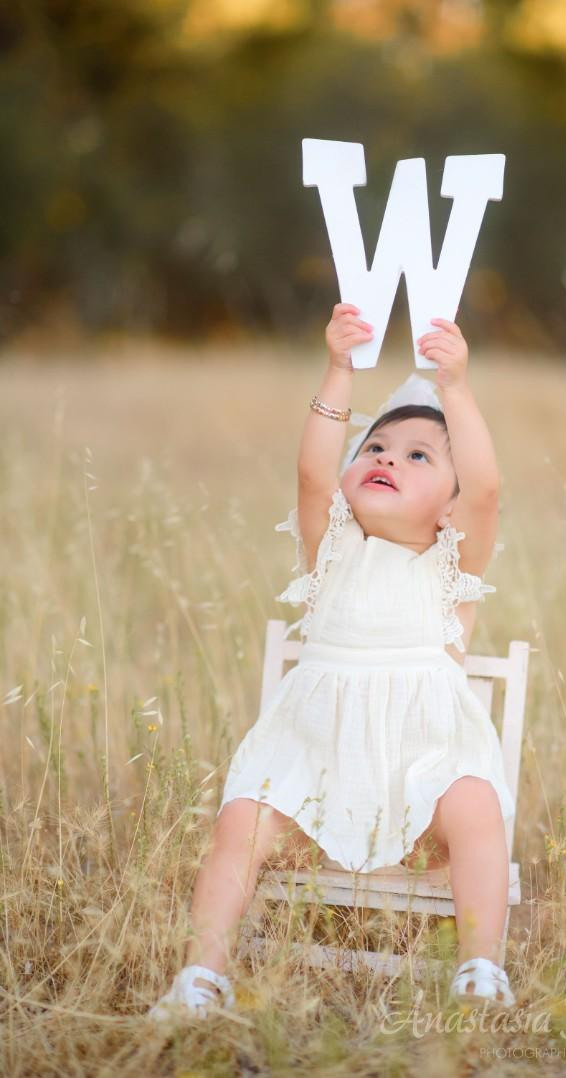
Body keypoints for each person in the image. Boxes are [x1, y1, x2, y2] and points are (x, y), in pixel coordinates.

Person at [148, 302, 517, 1020]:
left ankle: (479, 967)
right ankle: (200, 976)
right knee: (241, 819)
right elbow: (314, 473)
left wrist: (458, 389)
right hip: (314, 770)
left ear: (449, 507)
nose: (386, 458)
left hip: (419, 776)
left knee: (474, 803)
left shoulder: (450, 570)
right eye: (374, 449)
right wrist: (340, 369)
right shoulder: (330, 553)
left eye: (419, 457)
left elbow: (490, 489)